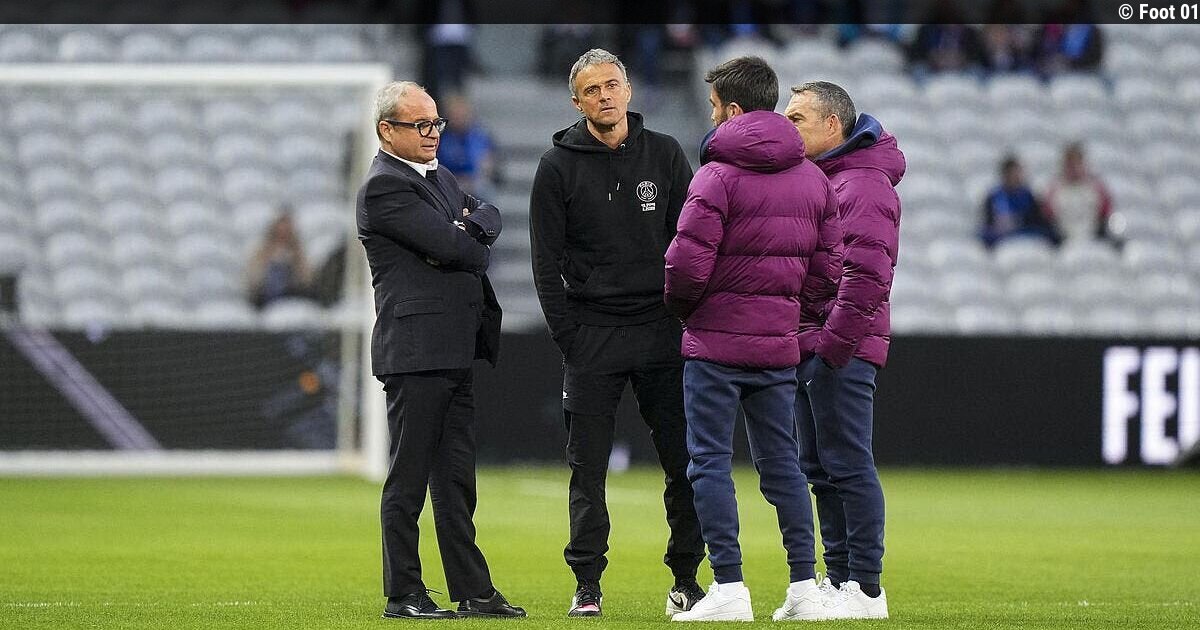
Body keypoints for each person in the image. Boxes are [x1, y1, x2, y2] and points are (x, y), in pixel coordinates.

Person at [664, 56, 844, 623]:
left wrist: (689, 313)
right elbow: (829, 271)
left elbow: (685, 267)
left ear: (733, 109)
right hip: (776, 348)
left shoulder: (715, 177)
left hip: (714, 348)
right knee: (784, 466)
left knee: (709, 464)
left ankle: (730, 588)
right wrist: (791, 316)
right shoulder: (813, 179)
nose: (711, 116)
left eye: (714, 106)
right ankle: (804, 587)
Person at [528, 48, 706, 618]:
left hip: (660, 331)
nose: (604, 96)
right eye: (592, 89)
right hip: (593, 335)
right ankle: (587, 584)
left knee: (684, 461)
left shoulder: (666, 153)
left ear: (628, 89)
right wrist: (570, 337)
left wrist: (684, 316)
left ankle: (686, 579)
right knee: (588, 470)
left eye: (612, 84)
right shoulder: (556, 167)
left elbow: (692, 243)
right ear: (576, 102)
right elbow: (544, 262)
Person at [355, 80, 524, 620]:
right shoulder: (384, 187)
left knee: (455, 480)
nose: (433, 134)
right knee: (408, 479)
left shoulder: (441, 178)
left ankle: (473, 591)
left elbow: (487, 217)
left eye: (436, 123)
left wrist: (465, 230)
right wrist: (464, 235)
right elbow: (458, 248)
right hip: (416, 350)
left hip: (452, 348)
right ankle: (403, 592)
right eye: (420, 124)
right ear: (387, 130)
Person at [784, 80, 906, 620]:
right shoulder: (828, 178)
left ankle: (867, 589)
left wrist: (831, 348)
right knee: (820, 467)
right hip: (816, 344)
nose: (788, 128)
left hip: (841, 348)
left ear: (833, 125)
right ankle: (838, 581)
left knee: (848, 464)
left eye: (798, 119)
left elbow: (868, 275)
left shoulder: (863, 183)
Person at [980, 155, 1061, 248]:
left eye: (1018, 173)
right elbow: (990, 221)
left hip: (1025, 232)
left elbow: (1037, 219)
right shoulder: (994, 197)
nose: (1017, 176)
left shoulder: (1028, 195)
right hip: (1002, 235)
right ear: (1005, 175)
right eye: (1013, 173)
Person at [1044, 142, 1116, 245]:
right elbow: (1048, 216)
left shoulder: (1096, 187)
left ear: (1083, 164)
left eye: (1076, 164)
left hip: (1094, 238)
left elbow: (1105, 212)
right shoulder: (1054, 189)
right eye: (1070, 165)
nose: (1073, 169)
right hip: (1062, 240)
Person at [245, 208, 314, 309]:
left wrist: (295, 261)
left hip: (291, 295)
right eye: (281, 228)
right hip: (265, 296)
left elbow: (306, 279)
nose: (283, 231)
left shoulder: (299, 253)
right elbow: (253, 280)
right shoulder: (261, 251)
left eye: (287, 229)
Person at [436, 93, 498, 200]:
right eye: (455, 115)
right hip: (448, 181)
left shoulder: (480, 135)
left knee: (484, 190)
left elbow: (489, 164)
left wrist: (477, 177)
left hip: (474, 182)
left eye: (461, 114)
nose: (458, 118)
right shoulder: (441, 137)